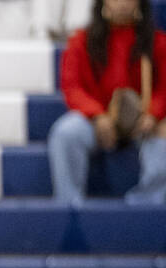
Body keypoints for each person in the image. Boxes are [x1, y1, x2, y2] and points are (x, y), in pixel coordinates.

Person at [49, 0, 166, 204]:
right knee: (65, 133)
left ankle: (146, 207)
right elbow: (72, 87)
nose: (122, 4)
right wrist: (97, 115)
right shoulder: (81, 41)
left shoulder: (157, 42)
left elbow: (164, 88)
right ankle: (69, 207)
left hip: (143, 123)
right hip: (97, 120)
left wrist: (153, 114)